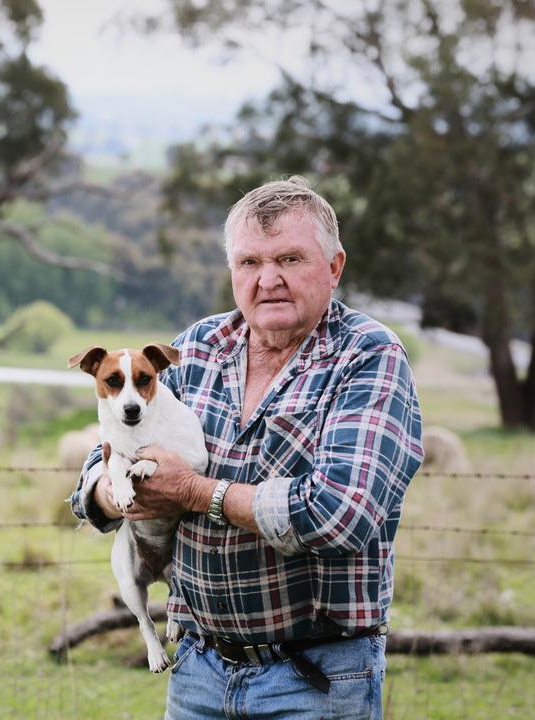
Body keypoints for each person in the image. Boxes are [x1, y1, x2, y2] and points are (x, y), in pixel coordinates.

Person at [70, 176, 423, 719]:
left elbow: (341, 514)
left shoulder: (369, 357)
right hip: (199, 672)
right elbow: (105, 462)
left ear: (334, 267)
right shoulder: (197, 347)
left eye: (289, 259)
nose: (269, 280)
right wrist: (115, 493)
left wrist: (192, 491)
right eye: (249, 263)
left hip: (317, 678)